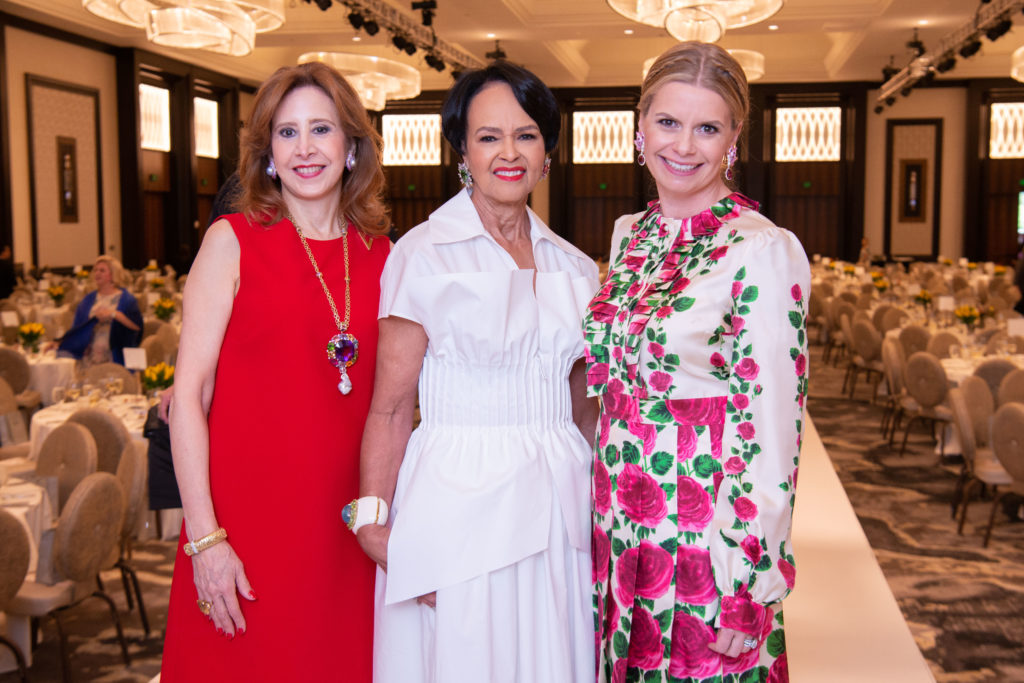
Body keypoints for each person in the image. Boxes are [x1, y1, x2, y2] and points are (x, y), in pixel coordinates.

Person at [356, 61, 599, 682]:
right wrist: (371, 524)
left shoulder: (575, 266)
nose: (509, 153)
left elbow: (583, 408)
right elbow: (389, 407)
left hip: (560, 506)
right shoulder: (422, 254)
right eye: (489, 137)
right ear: (463, 150)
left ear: (547, 151)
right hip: (457, 497)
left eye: (526, 135)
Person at [584, 42, 810, 682]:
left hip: (706, 526)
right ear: (640, 126)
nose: (684, 145)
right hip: (621, 516)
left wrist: (751, 576)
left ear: (734, 137)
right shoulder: (633, 233)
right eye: (669, 123)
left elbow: (772, 424)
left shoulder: (761, 248)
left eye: (707, 127)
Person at [160, 62, 390, 681]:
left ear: (351, 148)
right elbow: (187, 398)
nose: (305, 148)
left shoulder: (386, 255)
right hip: (242, 528)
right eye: (286, 134)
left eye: (321, 129)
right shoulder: (232, 241)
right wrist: (205, 541)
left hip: (343, 535)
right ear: (266, 155)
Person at [57, 254, 142, 365]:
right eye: (95, 270)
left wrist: (114, 314)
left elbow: (137, 327)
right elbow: (78, 328)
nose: (97, 273)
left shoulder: (126, 299)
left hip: (115, 357)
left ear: (113, 275)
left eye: (102, 270)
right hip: (89, 358)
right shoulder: (89, 299)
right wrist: (59, 342)